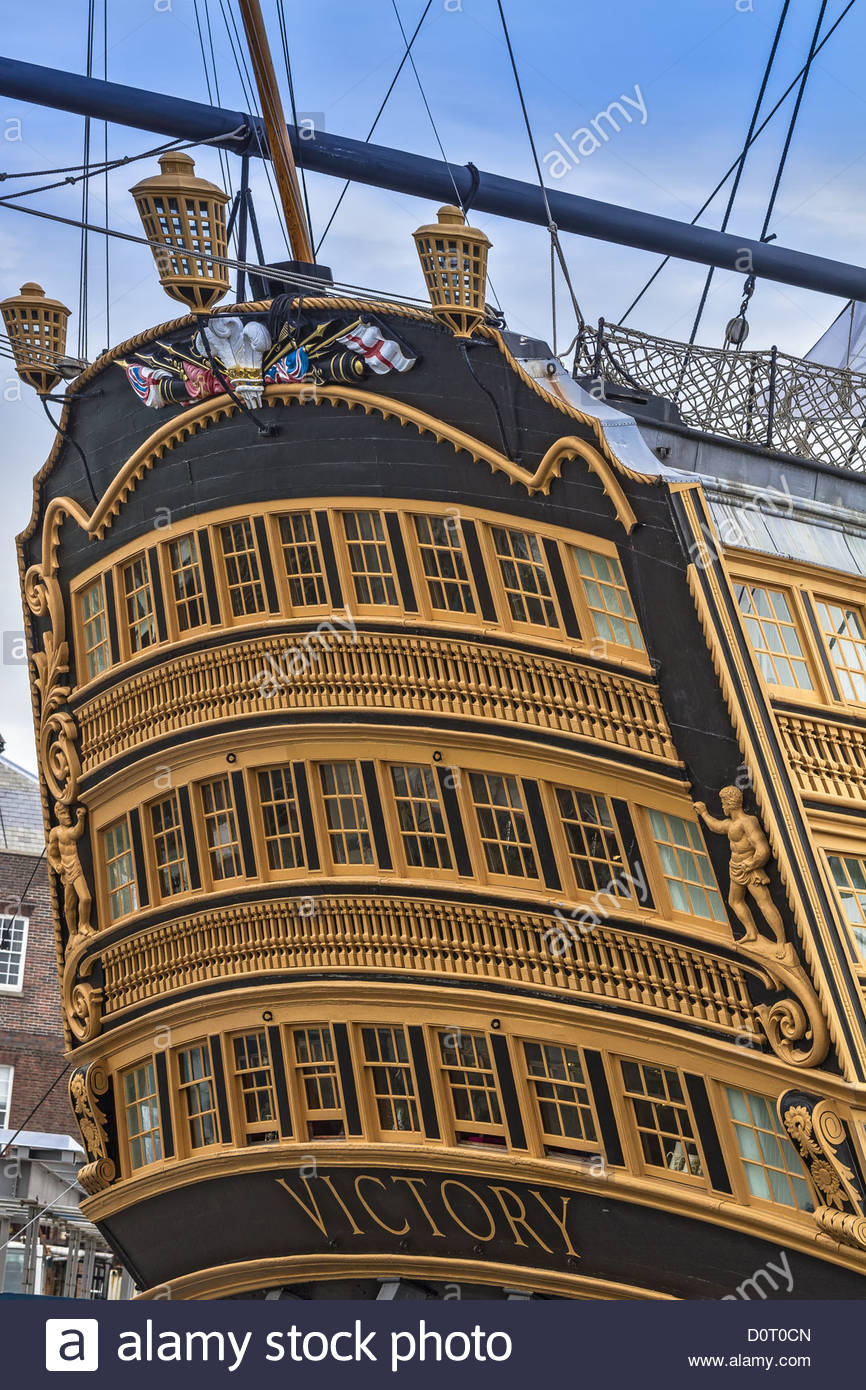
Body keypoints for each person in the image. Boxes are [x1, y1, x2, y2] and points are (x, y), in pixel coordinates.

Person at [694, 786, 787, 954]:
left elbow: (763, 849)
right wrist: (704, 813)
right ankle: (751, 932)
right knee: (735, 901)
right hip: (735, 867)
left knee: (764, 903)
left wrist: (751, 864)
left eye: (723, 802)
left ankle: (781, 942)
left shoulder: (748, 822)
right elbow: (715, 826)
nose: (722, 806)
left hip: (750, 868)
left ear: (730, 804)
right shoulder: (731, 824)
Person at [47, 801, 93, 939]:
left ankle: (83, 925)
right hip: (66, 872)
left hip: (75, 868)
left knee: (85, 898)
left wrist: (81, 818)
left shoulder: (69, 831)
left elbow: (76, 833)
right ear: (57, 816)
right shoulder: (55, 832)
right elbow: (51, 853)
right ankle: (72, 934)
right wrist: (56, 865)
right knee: (69, 905)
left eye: (68, 813)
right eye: (63, 813)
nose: (67, 816)